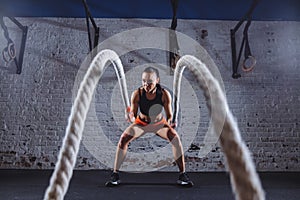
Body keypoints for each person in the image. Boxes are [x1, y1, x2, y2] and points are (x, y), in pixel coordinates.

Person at [105, 66, 193, 187]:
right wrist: (130, 116)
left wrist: (171, 121)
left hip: (158, 124)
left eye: (150, 82)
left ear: (157, 80)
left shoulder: (164, 94)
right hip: (141, 124)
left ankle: (183, 175)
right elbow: (133, 116)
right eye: (144, 81)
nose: (147, 84)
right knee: (123, 139)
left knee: (176, 139)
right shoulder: (137, 94)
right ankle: (115, 174)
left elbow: (169, 114)